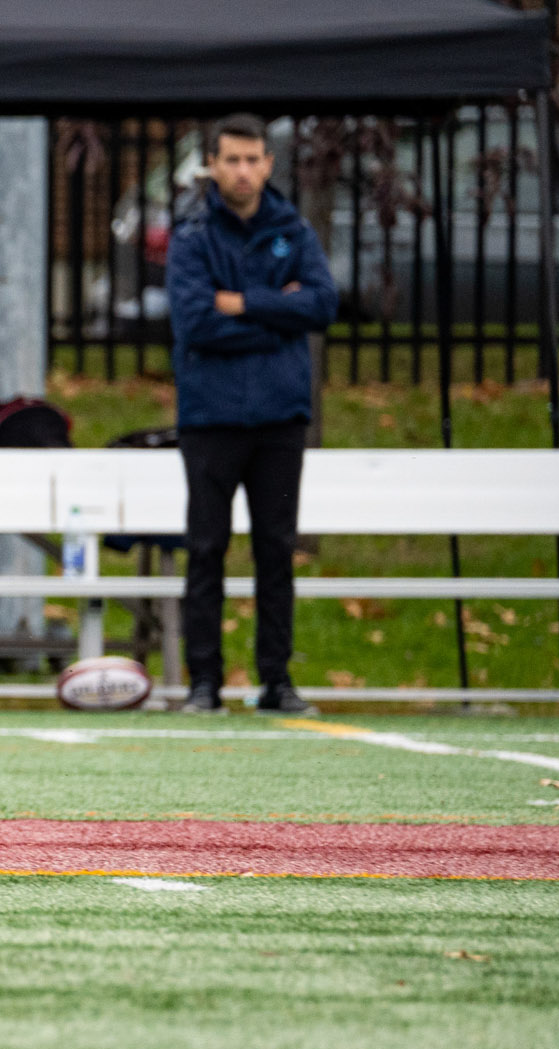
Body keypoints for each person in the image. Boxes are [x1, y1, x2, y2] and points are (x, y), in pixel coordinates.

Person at [166, 113, 335, 715]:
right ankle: (204, 684)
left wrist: (242, 304)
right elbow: (195, 323)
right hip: (211, 419)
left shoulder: (294, 230)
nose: (243, 170)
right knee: (206, 548)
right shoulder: (190, 237)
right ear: (211, 164)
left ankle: (277, 682)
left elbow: (321, 304)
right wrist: (276, 316)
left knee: (275, 549)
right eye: (231, 159)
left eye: (253, 158)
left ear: (268, 162)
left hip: (280, 420)